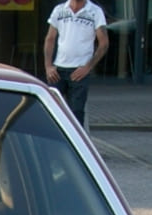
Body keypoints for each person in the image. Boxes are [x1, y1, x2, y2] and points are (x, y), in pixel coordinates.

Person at [42, 0, 107, 128]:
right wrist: (48, 66)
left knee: (76, 113)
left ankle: (76, 145)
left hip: (79, 71)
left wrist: (88, 67)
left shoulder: (95, 11)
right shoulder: (59, 10)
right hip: (58, 70)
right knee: (51, 110)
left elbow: (104, 43)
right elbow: (50, 38)